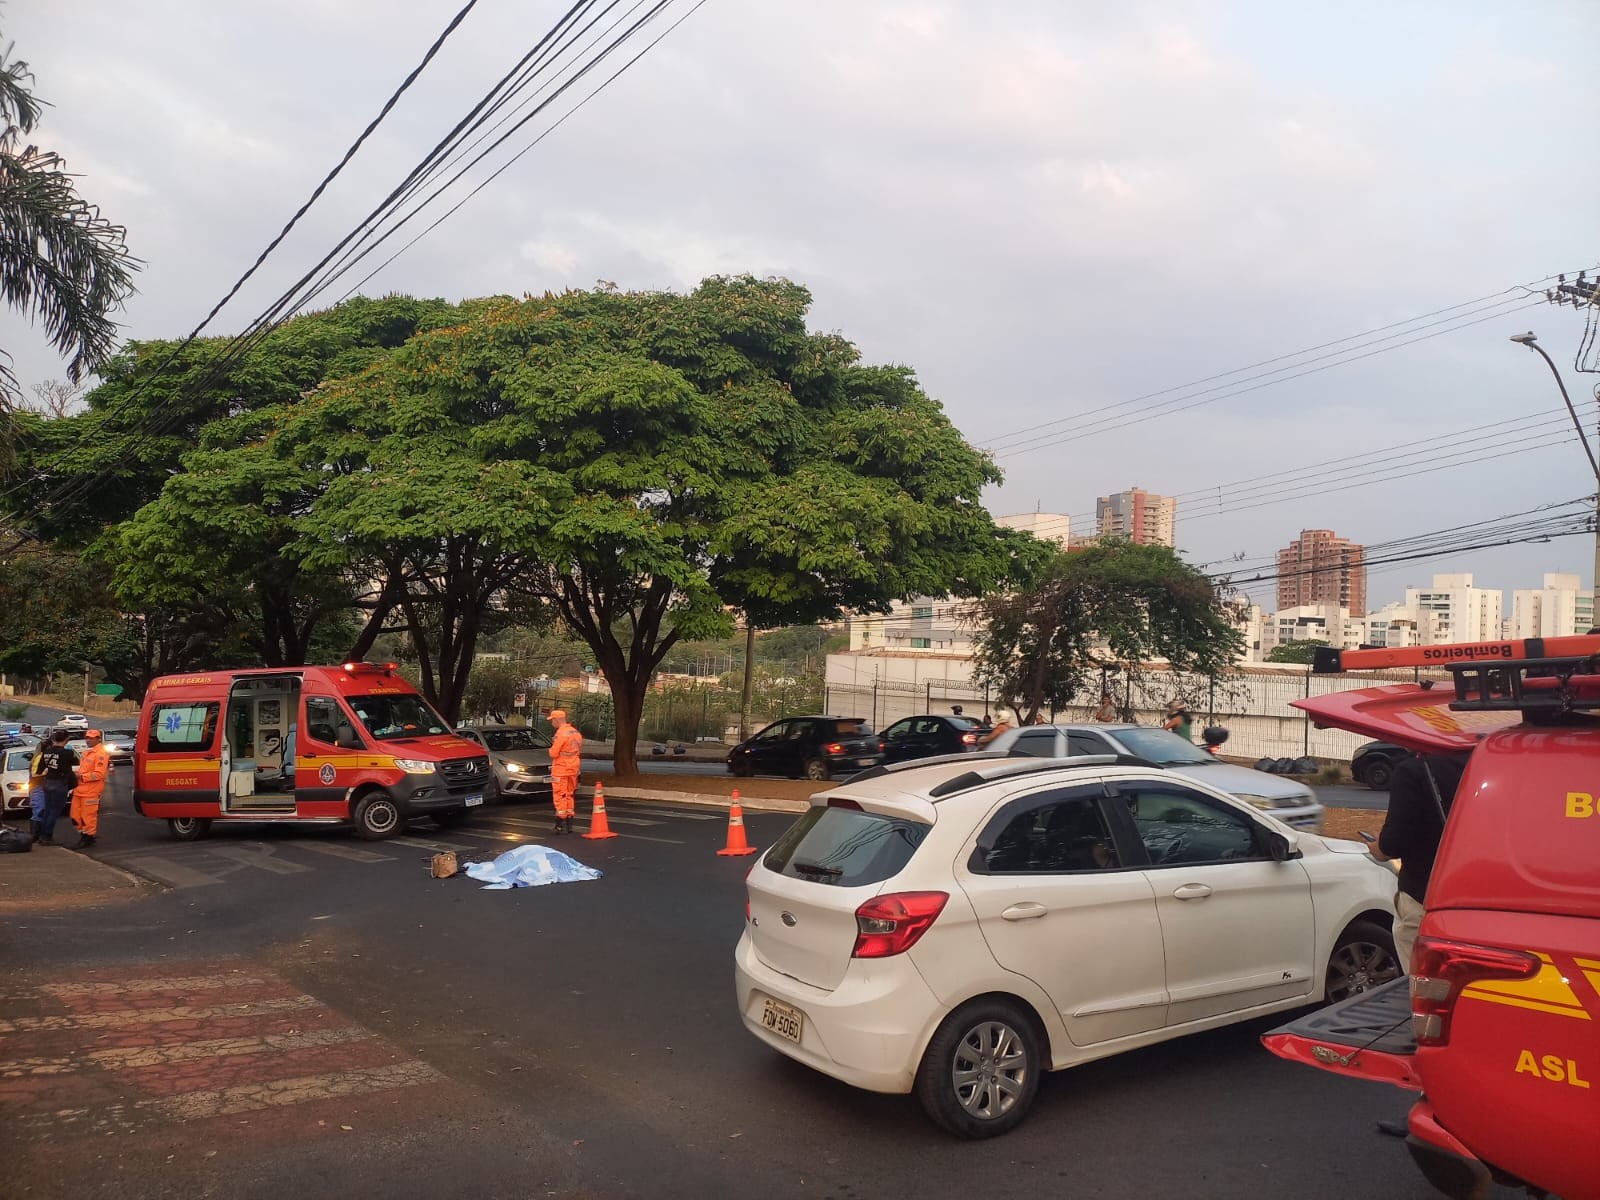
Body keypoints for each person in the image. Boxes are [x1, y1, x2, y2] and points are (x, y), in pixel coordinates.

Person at [1363, 749, 1470, 1137]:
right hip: (1472, 898)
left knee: (1430, 1013)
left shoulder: (1413, 769)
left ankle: (1435, 1109)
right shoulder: (1481, 760)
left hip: (1425, 899)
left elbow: (1395, 841)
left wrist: (1377, 847)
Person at [32, 730, 79, 845]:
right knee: (54, 811)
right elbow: (76, 761)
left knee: (48, 810)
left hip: (48, 782)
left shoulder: (47, 751)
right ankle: (47, 836)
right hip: (60, 783)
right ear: (66, 739)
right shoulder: (67, 753)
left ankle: (42, 835)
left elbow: (39, 769)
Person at [69, 729, 110, 849]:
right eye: (87, 737)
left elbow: (99, 774)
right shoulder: (87, 753)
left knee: (88, 816)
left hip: (91, 791)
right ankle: (84, 834)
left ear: (98, 739)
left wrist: (81, 776)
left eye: (91, 738)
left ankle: (88, 837)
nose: (88, 740)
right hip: (80, 789)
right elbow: (84, 770)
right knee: (75, 815)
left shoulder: (101, 754)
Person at [546, 709, 583, 834]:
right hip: (573, 768)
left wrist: (550, 750)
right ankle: (569, 822)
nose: (551, 723)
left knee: (560, 795)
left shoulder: (561, 734)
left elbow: (554, 753)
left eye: (552, 720)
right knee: (569, 794)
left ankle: (559, 824)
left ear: (557, 720)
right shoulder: (575, 732)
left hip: (561, 769)